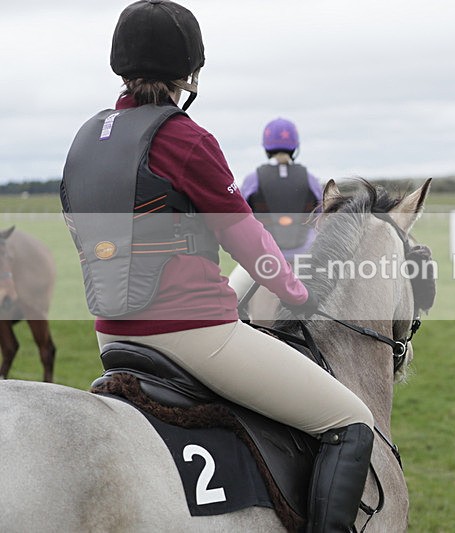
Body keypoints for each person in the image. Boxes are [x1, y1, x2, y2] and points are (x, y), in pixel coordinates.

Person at [60, 2, 373, 531]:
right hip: (195, 334)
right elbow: (244, 236)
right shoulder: (186, 138)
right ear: (190, 72)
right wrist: (296, 293)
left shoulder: (85, 139)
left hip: (111, 334)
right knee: (351, 420)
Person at [229, 118, 322, 301]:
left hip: (264, 259)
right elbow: (320, 217)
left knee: (229, 298)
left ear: (266, 147)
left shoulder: (253, 179)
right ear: (295, 147)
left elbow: (240, 216)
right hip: (306, 257)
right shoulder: (310, 179)